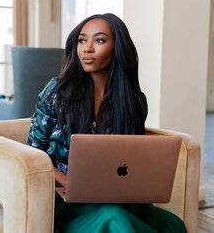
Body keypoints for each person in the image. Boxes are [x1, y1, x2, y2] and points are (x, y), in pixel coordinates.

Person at [27, 13, 186, 232]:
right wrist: (68, 183)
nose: (87, 48)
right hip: (64, 200)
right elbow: (32, 153)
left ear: (117, 48)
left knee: (173, 225)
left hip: (114, 196)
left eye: (99, 40)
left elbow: (129, 160)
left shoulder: (133, 100)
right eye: (82, 40)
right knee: (116, 220)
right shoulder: (58, 91)